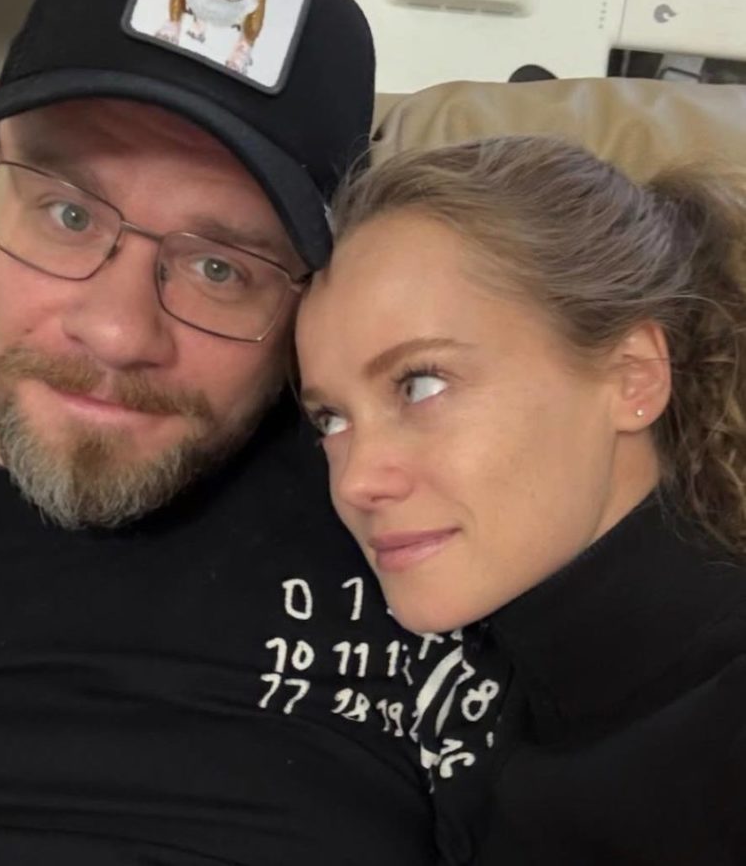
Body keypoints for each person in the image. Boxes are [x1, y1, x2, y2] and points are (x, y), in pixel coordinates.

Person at [0, 0, 438, 864]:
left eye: (220, 268)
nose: (117, 333)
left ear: (311, 294)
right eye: (68, 214)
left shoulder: (418, 520)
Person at [297, 134, 746, 865]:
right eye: (331, 419)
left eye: (420, 384)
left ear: (632, 376)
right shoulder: (497, 679)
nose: (355, 481)